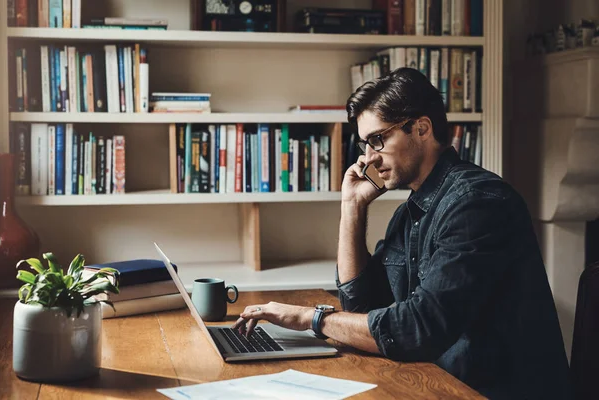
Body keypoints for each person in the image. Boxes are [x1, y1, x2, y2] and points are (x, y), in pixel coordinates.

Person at [232, 68, 572, 399]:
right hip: (434, 382)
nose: (368, 160)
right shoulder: (411, 210)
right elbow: (361, 306)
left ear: (421, 128)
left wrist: (310, 318)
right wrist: (351, 207)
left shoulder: (477, 204)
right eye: (365, 145)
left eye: (377, 140)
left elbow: (417, 330)